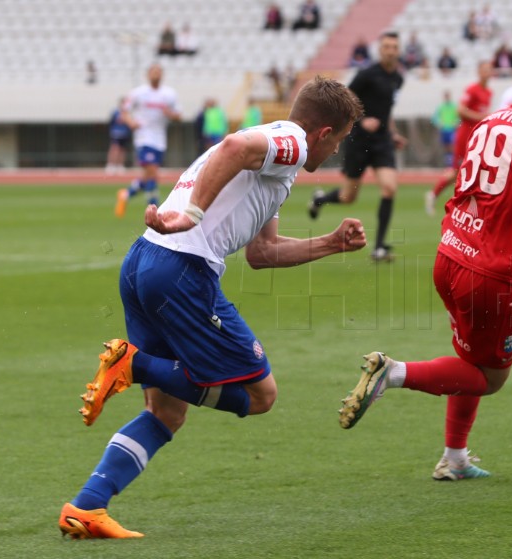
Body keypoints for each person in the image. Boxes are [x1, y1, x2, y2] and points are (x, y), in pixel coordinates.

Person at [58, 76, 365, 539]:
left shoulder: (278, 163)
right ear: (324, 134)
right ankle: (136, 365)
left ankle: (86, 507)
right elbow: (233, 146)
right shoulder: (294, 141)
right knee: (262, 396)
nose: (336, 152)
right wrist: (194, 214)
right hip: (183, 268)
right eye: (339, 141)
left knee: (167, 413)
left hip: (144, 260)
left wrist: (331, 244)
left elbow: (263, 253)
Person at [337, 47, 512, 483]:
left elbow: (474, 190)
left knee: (467, 358)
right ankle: (392, 373)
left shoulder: (490, 121)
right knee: (489, 378)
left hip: (450, 255)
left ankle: (454, 458)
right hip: (488, 274)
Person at [307, 31, 407, 262]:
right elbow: (345, 101)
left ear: (398, 50)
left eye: (394, 47)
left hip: (382, 141)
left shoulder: (398, 78)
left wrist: (392, 133)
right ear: (380, 50)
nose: (391, 50)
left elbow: (386, 109)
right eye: (387, 47)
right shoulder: (366, 75)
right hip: (359, 141)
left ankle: (379, 247)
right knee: (348, 197)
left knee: (390, 188)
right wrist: (362, 120)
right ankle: (319, 200)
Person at [425, 60, 493, 216]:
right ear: (479, 72)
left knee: (478, 169)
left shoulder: (488, 92)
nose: (487, 73)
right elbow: (461, 110)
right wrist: (481, 117)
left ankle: (472, 204)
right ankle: (435, 195)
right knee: (457, 172)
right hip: (465, 136)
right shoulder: (472, 89)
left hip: (478, 136)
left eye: (489, 70)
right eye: (485, 69)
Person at [115, 64, 182, 218]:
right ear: (147, 75)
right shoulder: (138, 93)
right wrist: (130, 122)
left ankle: (126, 194)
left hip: (160, 138)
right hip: (144, 137)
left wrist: (170, 113)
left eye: (158, 72)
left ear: (162, 75)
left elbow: (179, 116)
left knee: (149, 174)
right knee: (152, 172)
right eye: (153, 72)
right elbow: (124, 110)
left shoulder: (169, 94)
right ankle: (154, 209)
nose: (156, 74)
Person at [431, 90, 460, 168]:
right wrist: (439, 123)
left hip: (452, 130)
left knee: (452, 147)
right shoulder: (441, 107)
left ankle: (453, 164)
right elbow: (434, 118)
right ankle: (448, 164)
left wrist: (456, 123)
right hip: (444, 130)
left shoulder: (454, 106)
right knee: (446, 147)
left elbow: (459, 117)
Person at [106, 98, 131, 174]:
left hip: (125, 134)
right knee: (115, 149)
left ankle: (120, 165)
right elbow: (111, 123)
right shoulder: (115, 112)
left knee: (122, 150)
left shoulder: (128, 113)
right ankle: (111, 165)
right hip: (116, 133)